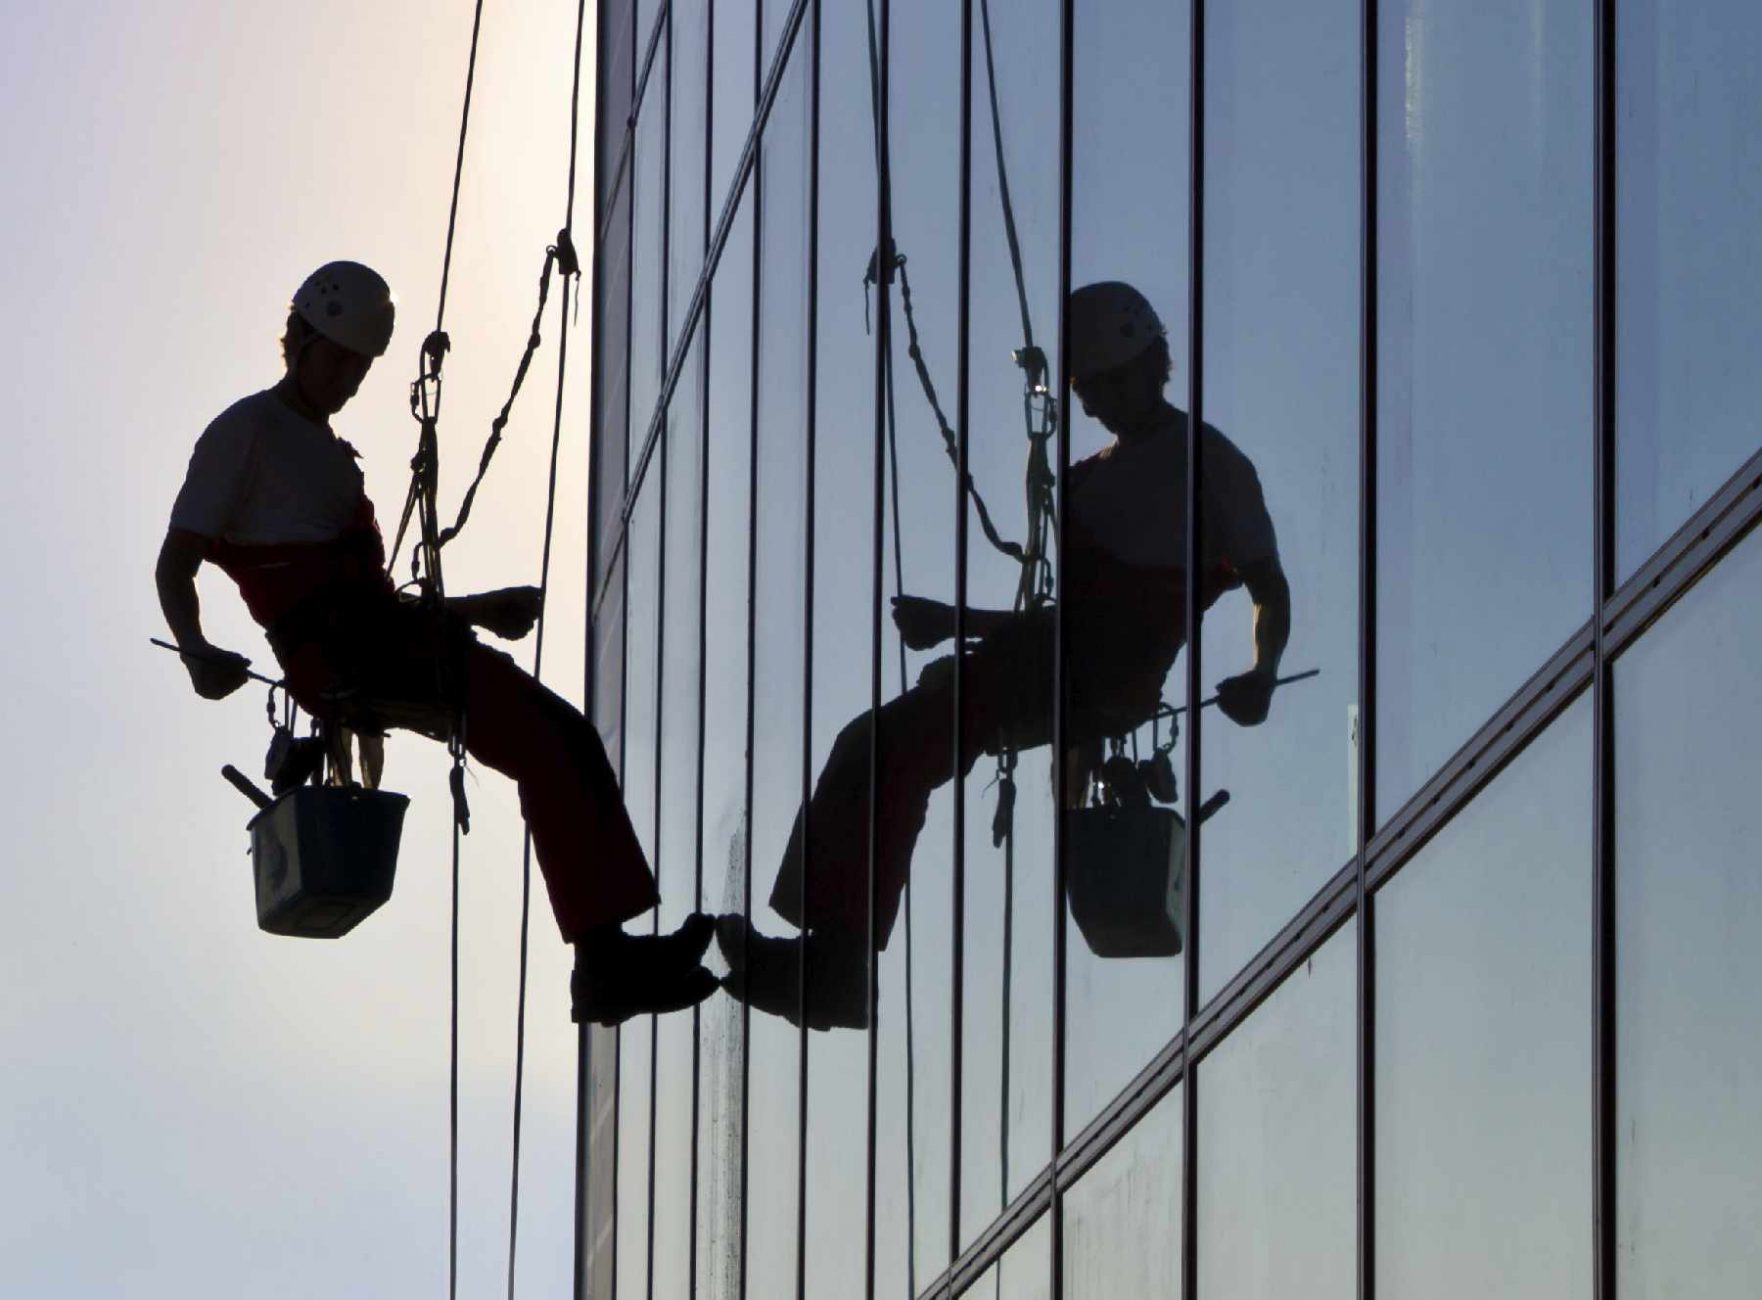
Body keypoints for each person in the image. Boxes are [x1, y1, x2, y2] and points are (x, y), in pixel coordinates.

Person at [155, 260, 716, 1025]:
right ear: (298, 341)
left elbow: (373, 600)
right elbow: (175, 564)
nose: (349, 377)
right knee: (547, 736)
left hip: (372, 642)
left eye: (361, 365)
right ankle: (604, 961)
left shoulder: (324, 453)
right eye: (338, 358)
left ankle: (607, 951)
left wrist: (479, 609)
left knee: (557, 737)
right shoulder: (245, 432)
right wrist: (194, 652)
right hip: (347, 655)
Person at [723, 280, 1291, 1028]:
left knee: (899, 745)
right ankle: (832, 955)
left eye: (1111, 383)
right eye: (1092, 390)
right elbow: (1066, 622)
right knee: (873, 743)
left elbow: (1267, 587)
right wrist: (955, 620)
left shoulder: (1212, 466)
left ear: (1153, 366)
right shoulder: (1086, 482)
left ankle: (836, 965)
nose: (1100, 403)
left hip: (1100, 675)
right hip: (1066, 663)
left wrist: (1263, 672)